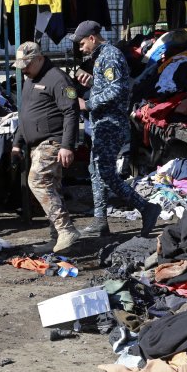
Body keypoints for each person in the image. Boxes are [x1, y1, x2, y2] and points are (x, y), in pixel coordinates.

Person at [71, 20, 161, 237]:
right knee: (96, 170)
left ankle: (146, 208)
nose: (81, 49)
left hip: (111, 124)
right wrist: (92, 82)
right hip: (103, 123)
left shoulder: (110, 55)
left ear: (92, 38)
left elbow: (118, 90)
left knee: (106, 173)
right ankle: (101, 220)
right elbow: (109, 85)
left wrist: (88, 103)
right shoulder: (101, 57)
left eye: (82, 44)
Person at [11, 41, 81, 253]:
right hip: (35, 144)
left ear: (40, 58)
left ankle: (66, 230)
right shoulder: (30, 79)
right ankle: (57, 237)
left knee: (38, 181)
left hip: (52, 141)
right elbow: (25, 115)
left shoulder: (57, 79)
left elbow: (71, 112)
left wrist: (67, 146)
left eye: (27, 64)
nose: (23, 68)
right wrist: (17, 143)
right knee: (53, 189)